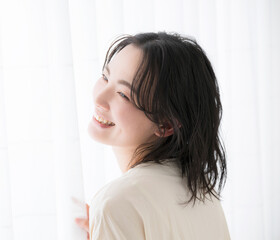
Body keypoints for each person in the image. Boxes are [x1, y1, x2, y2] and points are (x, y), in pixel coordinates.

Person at [75, 31, 231, 240]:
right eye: (105, 77)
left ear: (166, 124)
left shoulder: (116, 202)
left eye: (123, 94)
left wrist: (110, 215)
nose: (99, 98)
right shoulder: (201, 192)